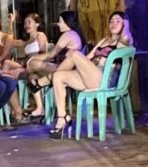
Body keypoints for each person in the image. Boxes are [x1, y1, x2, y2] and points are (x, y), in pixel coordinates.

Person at [31, 11, 132, 140]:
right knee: (59, 76)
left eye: (118, 21)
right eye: (111, 21)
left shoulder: (124, 39)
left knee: (74, 54)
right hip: (91, 76)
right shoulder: (104, 40)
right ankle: (62, 119)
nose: (114, 23)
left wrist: (76, 56)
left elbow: (126, 36)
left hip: (105, 79)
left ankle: (43, 82)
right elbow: (88, 57)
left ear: (125, 24)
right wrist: (79, 61)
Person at [0, 14, 49, 120]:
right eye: (25, 23)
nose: (26, 25)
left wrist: (29, 62)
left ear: (37, 24)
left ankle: (33, 107)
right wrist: (11, 22)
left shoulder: (40, 35)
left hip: (38, 66)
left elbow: (43, 53)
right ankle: (12, 106)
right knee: (6, 66)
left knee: (8, 74)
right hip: (27, 66)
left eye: (29, 22)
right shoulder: (26, 41)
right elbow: (8, 41)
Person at [25, 11, 85, 92]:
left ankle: (30, 78)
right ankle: (39, 89)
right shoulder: (73, 34)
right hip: (63, 67)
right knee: (32, 75)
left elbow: (51, 55)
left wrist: (32, 58)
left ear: (67, 22)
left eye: (60, 22)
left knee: (33, 63)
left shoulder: (68, 35)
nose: (58, 24)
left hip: (67, 70)